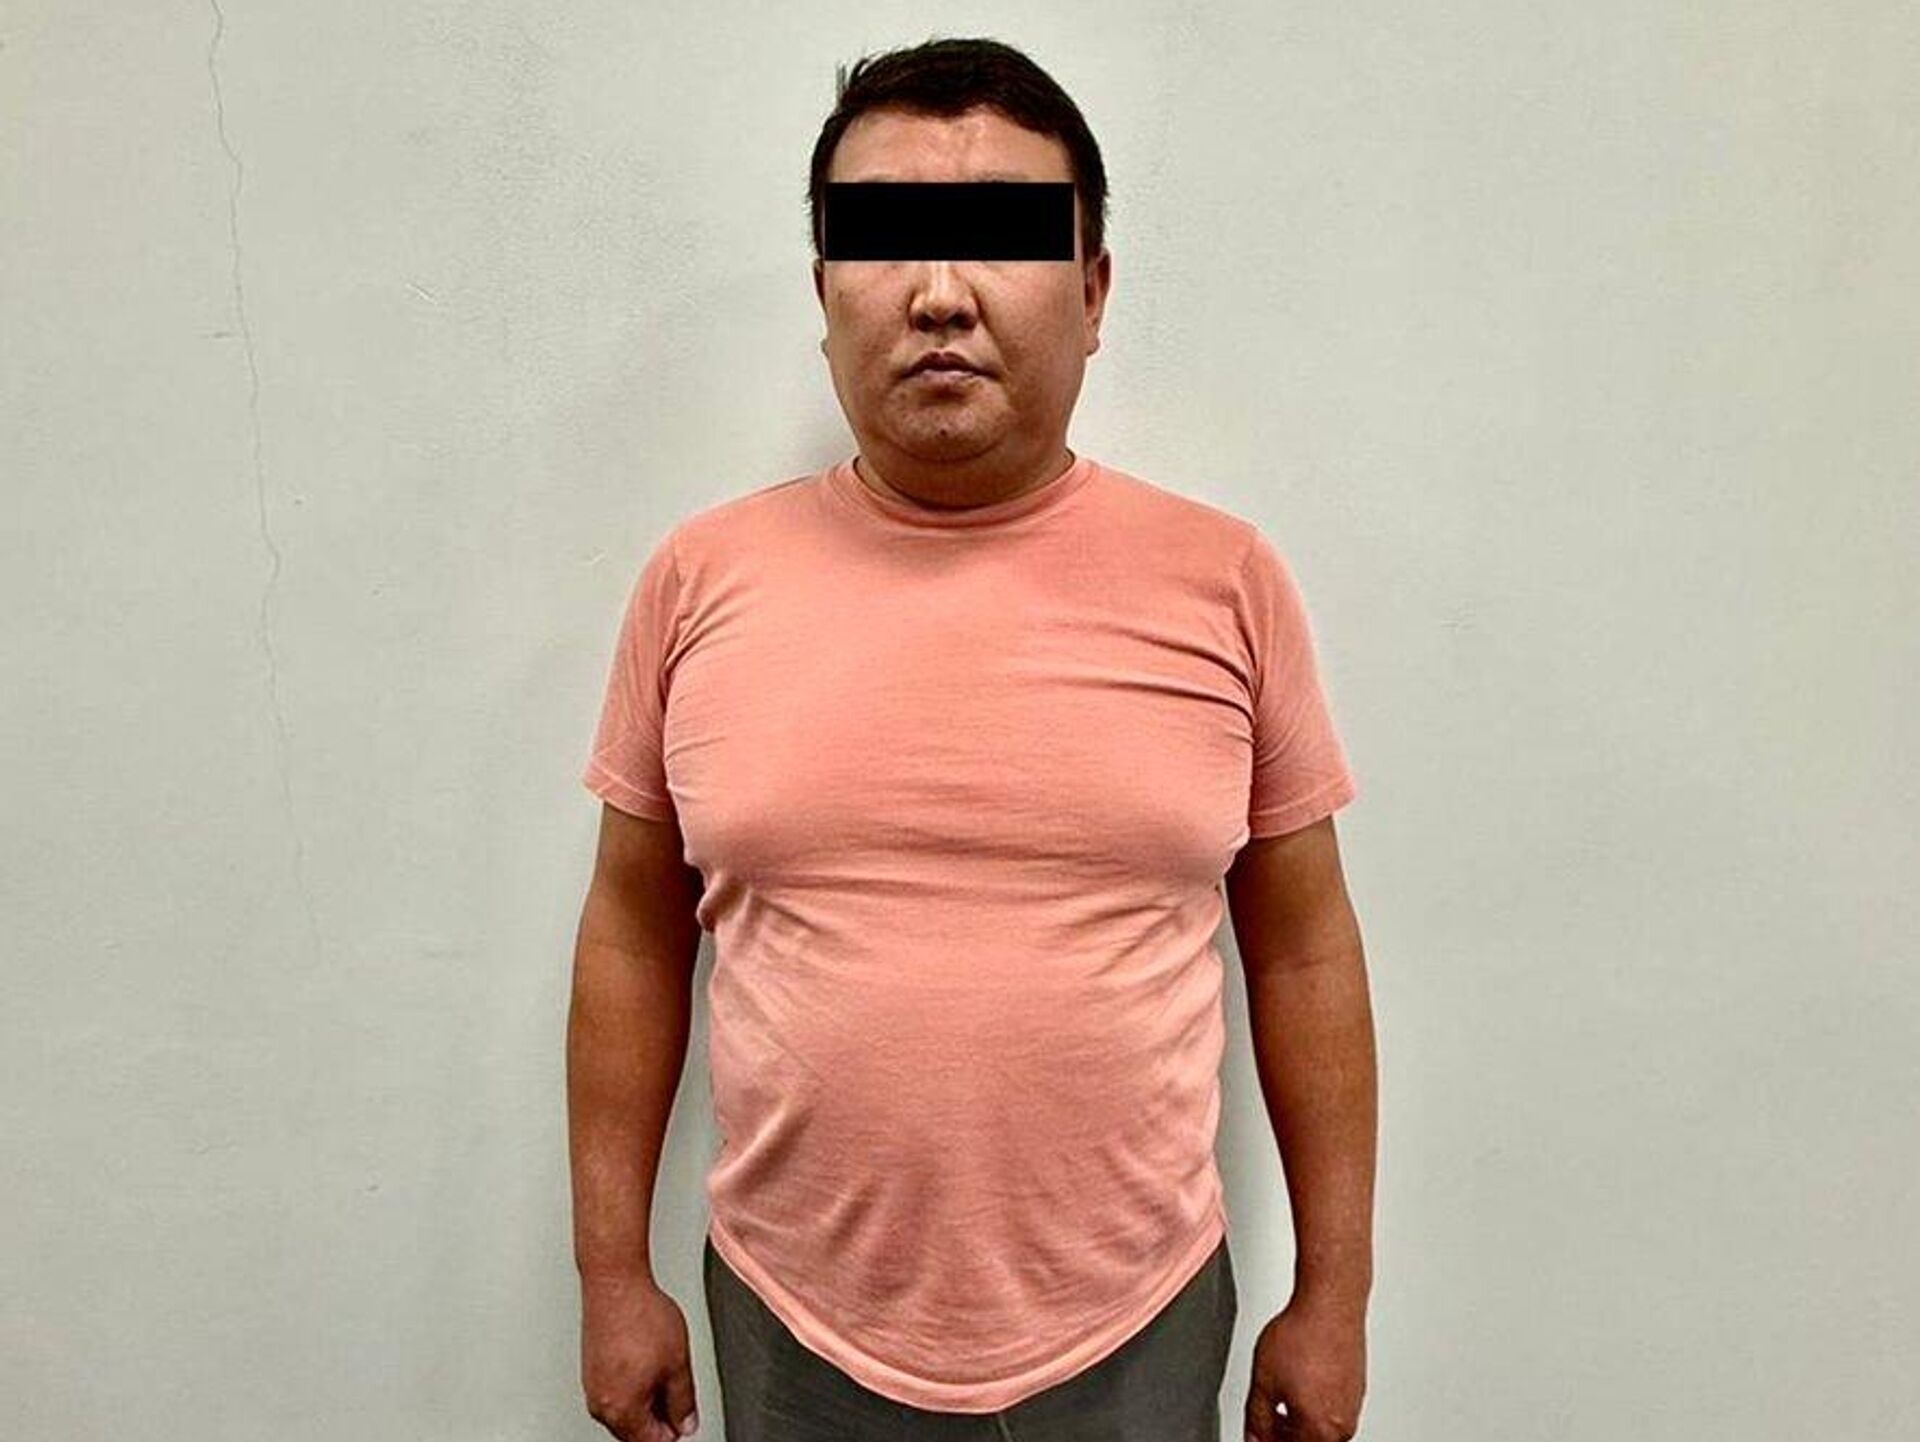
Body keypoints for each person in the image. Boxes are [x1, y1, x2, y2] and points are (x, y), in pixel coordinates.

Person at [568, 36, 1375, 1442]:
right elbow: (633, 938)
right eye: (885, 242)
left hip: (1135, 1321)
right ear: (824, 295)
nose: (940, 292)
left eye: (1000, 236)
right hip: (793, 1319)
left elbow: (1305, 951)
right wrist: (609, 1276)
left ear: (1094, 290)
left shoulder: (1226, 583)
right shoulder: (699, 583)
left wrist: (1337, 1294)